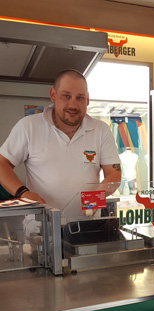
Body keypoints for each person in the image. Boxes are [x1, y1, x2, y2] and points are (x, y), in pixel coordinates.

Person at [0, 69, 121, 222]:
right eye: (66, 96)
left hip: (87, 226)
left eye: (80, 98)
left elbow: (114, 174)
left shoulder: (101, 130)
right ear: (53, 95)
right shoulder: (29, 126)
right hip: (41, 228)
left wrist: (97, 196)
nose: (73, 104)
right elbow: (2, 163)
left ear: (88, 99)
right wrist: (23, 193)